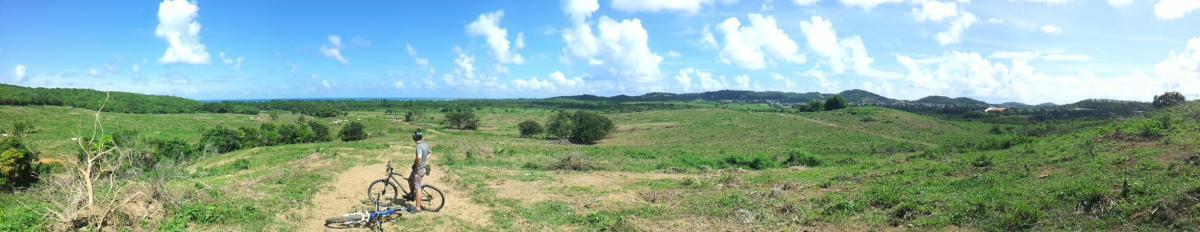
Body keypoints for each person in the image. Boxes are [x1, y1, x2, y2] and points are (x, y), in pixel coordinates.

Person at [407, 129, 432, 212]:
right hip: (423, 167)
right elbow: (430, 152)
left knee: (418, 187)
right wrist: (425, 161)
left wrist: (417, 165)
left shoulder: (419, 146)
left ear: (414, 138)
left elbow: (418, 158)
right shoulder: (425, 143)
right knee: (410, 179)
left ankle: (418, 207)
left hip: (419, 169)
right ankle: (411, 195)